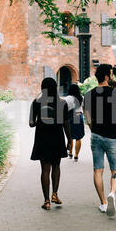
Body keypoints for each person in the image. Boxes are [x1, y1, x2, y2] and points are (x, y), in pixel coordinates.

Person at [84, 64, 116, 216]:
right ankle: (112, 194)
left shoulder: (89, 94)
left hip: (96, 135)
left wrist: (93, 128)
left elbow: (88, 118)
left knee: (98, 169)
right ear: (106, 76)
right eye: (110, 74)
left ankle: (103, 202)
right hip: (113, 136)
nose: (111, 76)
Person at [30, 78, 72, 210]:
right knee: (56, 166)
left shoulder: (36, 102)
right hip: (57, 137)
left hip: (42, 138)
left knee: (45, 169)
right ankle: (55, 194)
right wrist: (69, 140)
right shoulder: (62, 103)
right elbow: (66, 123)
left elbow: (31, 123)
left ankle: (46, 201)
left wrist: (40, 121)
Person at [64, 84, 85, 161]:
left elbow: (65, 110)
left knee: (70, 136)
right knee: (78, 137)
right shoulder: (81, 98)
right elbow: (84, 109)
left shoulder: (67, 99)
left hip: (70, 117)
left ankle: (70, 152)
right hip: (78, 116)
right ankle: (76, 155)